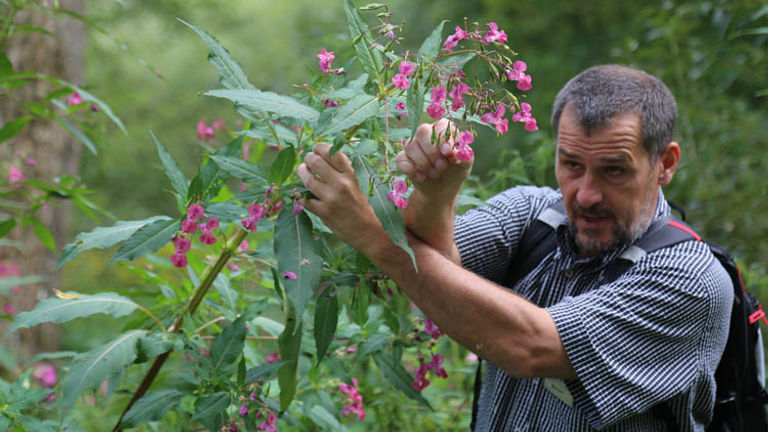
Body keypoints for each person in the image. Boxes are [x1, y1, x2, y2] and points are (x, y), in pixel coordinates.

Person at [297, 64, 732, 431]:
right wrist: (437, 194)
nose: (585, 194)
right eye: (571, 164)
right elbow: (434, 275)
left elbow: (531, 346)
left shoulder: (691, 279)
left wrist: (372, 234)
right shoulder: (530, 212)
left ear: (666, 164)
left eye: (614, 171)